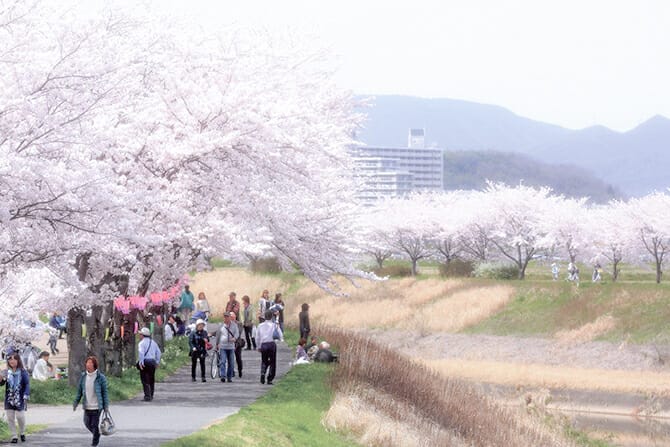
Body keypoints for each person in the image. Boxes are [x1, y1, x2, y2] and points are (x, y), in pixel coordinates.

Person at [73, 355, 109, 447]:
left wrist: (106, 406)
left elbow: (104, 393)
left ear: (94, 365)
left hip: (97, 406)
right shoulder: (83, 376)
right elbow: (79, 391)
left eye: (90, 363)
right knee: (87, 423)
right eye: (87, 363)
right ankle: (97, 434)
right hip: (87, 405)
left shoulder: (100, 378)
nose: (88, 365)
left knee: (94, 424)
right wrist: (76, 402)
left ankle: (94, 443)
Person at [0, 353, 30, 443]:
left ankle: (22, 432)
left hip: (20, 398)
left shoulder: (23, 371)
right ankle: (14, 436)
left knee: (20, 417)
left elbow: (27, 384)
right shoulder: (6, 371)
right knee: (10, 418)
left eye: (14, 359)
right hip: (9, 398)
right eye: (10, 359)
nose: (12, 361)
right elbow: (1, 384)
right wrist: (1, 378)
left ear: (18, 360)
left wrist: (26, 394)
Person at [256, 310, 282, 385]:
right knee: (272, 362)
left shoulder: (260, 326)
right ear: (271, 317)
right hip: (271, 344)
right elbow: (280, 335)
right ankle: (270, 378)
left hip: (263, 344)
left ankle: (263, 372)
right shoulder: (274, 325)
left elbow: (257, 337)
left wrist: (258, 346)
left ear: (265, 317)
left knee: (264, 360)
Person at [137, 327, 161, 401]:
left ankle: (147, 396)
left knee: (144, 379)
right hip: (152, 362)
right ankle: (151, 394)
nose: (139, 336)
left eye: (140, 334)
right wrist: (157, 362)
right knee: (151, 379)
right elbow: (159, 353)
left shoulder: (141, 343)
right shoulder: (153, 342)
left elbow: (141, 353)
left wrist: (141, 362)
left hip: (145, 362)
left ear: (142, 335)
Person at [214, 312, 238, 382]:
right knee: (223, 361)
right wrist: (217, 344)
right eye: (225, 317)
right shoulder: (221, 325)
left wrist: (235, 338)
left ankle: (229, 377)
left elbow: (237, 333)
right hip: (223, 346)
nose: (226, 318)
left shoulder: (234, 325)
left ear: (230, 317)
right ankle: (223, 376)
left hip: (231, 347)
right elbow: (218, 335)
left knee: (231, 362)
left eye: (227, 317)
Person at [230, 312, 244, 378]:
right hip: (230, 343)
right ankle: (231, 371)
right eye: (230, 317)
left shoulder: (239, 323)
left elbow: (239, 332)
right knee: (230, 358)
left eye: (233, 316)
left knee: (238, 358)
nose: (232, 318)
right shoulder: (227, 324)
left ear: (235, 316)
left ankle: (240, 370)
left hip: (237, 343)